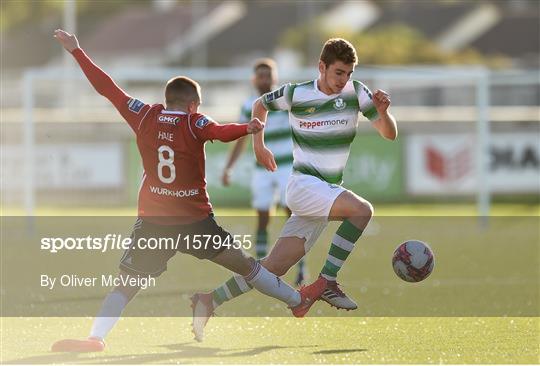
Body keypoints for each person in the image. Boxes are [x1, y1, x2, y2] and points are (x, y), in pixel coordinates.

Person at [50, 29, 327, 352]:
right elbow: (219, 132)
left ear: (169, 100)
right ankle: (297, 300)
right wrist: (246, 128)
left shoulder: (144, 115)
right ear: (194, 104)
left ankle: (95, 338)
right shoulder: (194, 123)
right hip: (196, 222)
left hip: (155, 222)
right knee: (247, 266)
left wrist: (77, 51)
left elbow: (108, 89)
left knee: (126, 285)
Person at [192, 37, 397, 338]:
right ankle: (327, 280)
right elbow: (260, 104)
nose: (345, 79)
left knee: (272, 268)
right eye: (339, 72)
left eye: (349, 73)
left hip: (324, 191)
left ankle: (209, 300)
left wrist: (384, 111)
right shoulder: (297, 93)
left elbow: (388, 134)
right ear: (321, 67)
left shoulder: (356, 93)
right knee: (362, 211)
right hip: (304, 186)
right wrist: (258, 147)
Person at [221, 58, 305, 285]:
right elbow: (240, 139)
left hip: (287, 165)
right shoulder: (249, 105)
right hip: (261, 170)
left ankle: (300, 269)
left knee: (292, 215)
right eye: (260, 75)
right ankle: (260, 269)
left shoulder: (284, 100)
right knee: (262, 216)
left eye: (268, 75)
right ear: (254, 79)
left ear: (275, 77)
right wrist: (229, 167)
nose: (264, 79)